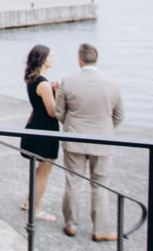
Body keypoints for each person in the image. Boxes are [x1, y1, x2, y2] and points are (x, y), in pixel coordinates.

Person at [55, 43, 124, 240]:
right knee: (100, 185)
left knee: (73, 182)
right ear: (96, 59)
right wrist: (105, 129)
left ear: (79, 60)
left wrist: (72, 125)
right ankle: (100, 230)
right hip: (102, 140)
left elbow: (59, 112)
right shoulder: (112, 84)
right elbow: (119, 115)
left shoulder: (68, 82)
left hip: (74, 138)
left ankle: (71, 225)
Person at [18, 45, 60, 221]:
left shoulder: (32, 80)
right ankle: (36, 209)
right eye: (50, 56)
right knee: (44, 171)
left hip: (35, 124)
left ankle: (29, 201)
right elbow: (52, 111)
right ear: (42, 60)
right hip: (46, 129)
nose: (53, 59)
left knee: (39, 169)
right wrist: (57, 92)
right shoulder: (43, 84)